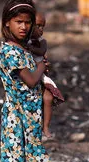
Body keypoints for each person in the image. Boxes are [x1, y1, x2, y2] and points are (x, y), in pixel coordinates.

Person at [0, 0, 49, 162]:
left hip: (31, 119)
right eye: (18, 21)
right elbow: (29, 80)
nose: (24, 26)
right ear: (7, 22)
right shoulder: (9, 51)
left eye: (27, 22)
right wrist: (40, 66)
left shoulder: (25, 49)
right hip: (16, 118)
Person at [27, 12, 65, 140]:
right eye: (37, 25)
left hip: (40, 75)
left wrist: (30, 48)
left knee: (48, 98)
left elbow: (41, 51)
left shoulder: (41, 42)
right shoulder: (20, 43)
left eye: (42, 26)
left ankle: (46, 127)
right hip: (29, 76)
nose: (40, 29)